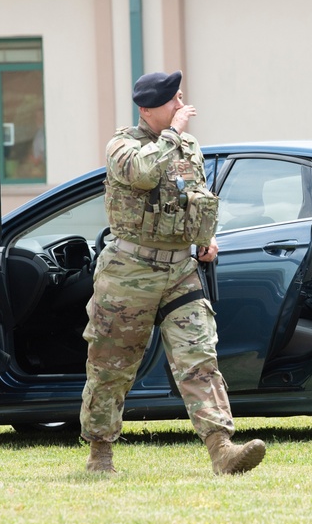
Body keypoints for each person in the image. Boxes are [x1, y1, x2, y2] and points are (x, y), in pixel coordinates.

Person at [80, 70, 266, 476]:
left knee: (198, 357)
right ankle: (100, 453)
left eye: (181, 97)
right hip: (130, 272)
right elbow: (145, 174)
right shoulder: (122, 146)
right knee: (111, 367)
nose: (182, 106)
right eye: (173, 101)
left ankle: (222, 449)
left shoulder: (188, 146)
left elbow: (192, 194)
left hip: (180, 270)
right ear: (148, 109)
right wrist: (172, 135)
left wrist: (204, 237)